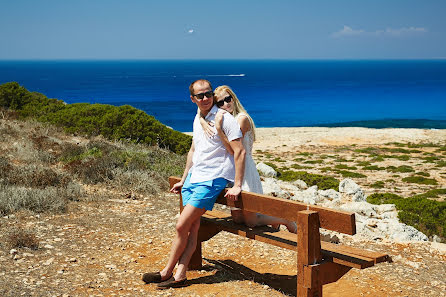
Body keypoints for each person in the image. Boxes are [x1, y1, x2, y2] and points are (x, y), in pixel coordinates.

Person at [142, 79, 246, 289]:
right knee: (192, 228)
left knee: (182, 225)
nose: (206, 98)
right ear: (193, 99)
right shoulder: (199, 117)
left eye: (208, 94)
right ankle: (180, 275)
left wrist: (237, 185)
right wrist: (183, 178)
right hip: (194, 178)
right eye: (201, 96)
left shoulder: (224, 118)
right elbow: (193, 151)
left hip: (212, 179)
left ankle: (165, 272)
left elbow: (240, 151)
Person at [199, 85, 297, 233]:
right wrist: (201, 120)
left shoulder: (241, 119)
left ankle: (285, 220)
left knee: (251, 220)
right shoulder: (228, 120)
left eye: (228, 99)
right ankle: (272, 218)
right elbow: (200, 111)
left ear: (233, 98)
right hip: (234, 170)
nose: (226, 104)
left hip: (245, 169)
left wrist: (219, 129)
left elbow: (234, 150)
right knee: (238, 219)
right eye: (220, 103)